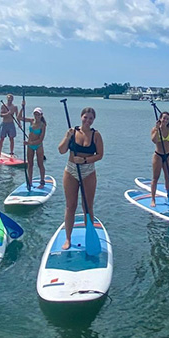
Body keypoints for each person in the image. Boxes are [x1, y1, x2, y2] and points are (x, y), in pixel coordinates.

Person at [58, 107, 104, 250]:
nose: (87, 120)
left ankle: (88, 236)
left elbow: (100, 155)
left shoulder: (96, 135)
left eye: (90, 118)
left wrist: (84, 161)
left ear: (93, 120)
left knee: (87, 207)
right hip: (71, 170)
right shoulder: (72, 132)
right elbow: (61, 150)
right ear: (81, 117)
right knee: (70, 206)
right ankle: (68, 238)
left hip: (88, 171)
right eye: (85, 117)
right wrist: (67, 137)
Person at [18, 104, 46, 188]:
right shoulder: (31, 121)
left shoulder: (43, 125)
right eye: (35, 114)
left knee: (40, 164)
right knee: (30, 164)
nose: (36, 116)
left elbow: (40, 139)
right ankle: (30, 182)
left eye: (38, 114)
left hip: (38, 146)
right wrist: (22, 107)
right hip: (30, 146)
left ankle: (42, 182)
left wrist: (29, 143)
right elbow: (19, 117)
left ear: (41, 115)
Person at [150, 111, 169, 207]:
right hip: (158, 155)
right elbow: (154, 140)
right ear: (160, 119)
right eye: (164, 118)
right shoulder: (155, 129)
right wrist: (157, 129)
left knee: (168, 177)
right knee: (155, 178)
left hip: (168, 155)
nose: (165, 120)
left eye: (167, 119)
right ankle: (153, 199)